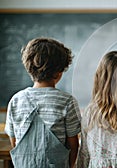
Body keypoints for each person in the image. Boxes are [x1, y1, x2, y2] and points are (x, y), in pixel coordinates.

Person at [5, 37, 81, 168]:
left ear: (29, 69)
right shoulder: (67, 101)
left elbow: (15, 142)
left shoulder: (16, 100)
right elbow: (74, 145)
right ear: (59, 73)